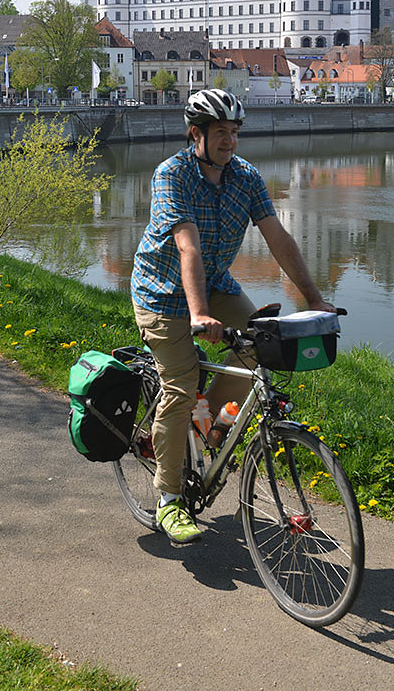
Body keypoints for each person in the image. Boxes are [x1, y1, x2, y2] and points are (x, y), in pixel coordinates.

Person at [130, 89, 335, 545]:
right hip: (161, 295)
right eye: (220, 132)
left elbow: (279, 239)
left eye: (235, 132)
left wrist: (315, 298)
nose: (230, 140)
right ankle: (169, 499)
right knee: (180, 387)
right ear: (195, 135)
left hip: (217, 285)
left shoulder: (246, 177)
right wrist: (198, 314)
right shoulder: (172, 175)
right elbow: (188, 246)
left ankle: (201, 434)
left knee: (255, 357)